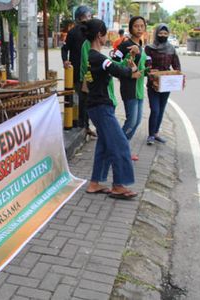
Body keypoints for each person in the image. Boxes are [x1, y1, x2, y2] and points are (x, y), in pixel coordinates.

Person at [83, 18, 140, 200]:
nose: (106, 36)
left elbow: (113, 66)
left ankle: (95, 183)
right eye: (105, 33)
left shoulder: (92, 58)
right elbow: (117, 70)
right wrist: (132, 71)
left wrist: (127, 64)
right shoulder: (98, 58)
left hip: (95, 106)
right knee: (120, 144)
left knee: (105, 145)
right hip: (101, 107)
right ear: (100, 35)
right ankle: (118, 185)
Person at [114, 16, 147, 161]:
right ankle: (117, 149)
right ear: (130, 28)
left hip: (139, 88)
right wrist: (130, 54)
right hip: (129, 88)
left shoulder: (141, 45)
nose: (139, 29)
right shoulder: (125, 45)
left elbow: (144, 65)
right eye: (136, 26)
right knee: (131, 121)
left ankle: (123, 149)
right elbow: (114, 64)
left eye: (142, 26)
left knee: (137, 121)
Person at [61, 5, 97, 137]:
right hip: (77, 72)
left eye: (89, 16)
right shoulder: (74, 32)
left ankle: (84, 124)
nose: (88, 19)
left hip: (90, 71)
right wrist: (65, 61)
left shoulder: (92, 32)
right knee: (80, 98)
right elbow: (65, 49)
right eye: (86, 16)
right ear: (79, 18)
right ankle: (81, 124)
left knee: (87, 99)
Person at [145, 24, 181, 145]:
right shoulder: (149, 48)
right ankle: (150, 135)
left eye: (165, 34)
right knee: (154, 110)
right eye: (161, 33)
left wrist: (177, 75)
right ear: (156, 34)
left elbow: (176, 65)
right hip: (153, 83)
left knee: (161, 109)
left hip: (166, 84)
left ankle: (155, 133)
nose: (163, 35)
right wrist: (150, 71)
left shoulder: (171, 49)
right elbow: (147, 63)